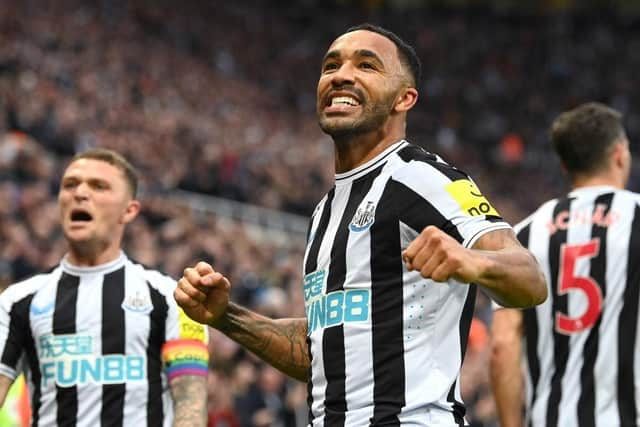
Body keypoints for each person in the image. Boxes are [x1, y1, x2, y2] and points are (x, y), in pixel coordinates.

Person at [176, 23, 547, 426]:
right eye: (330, 65)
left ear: (404, 99)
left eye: (366, 65)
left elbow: (530, 280)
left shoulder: (424, 177)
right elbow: (321, 350)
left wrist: (470, 261)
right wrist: (227, 316)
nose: (342, 75)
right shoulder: (323, 213)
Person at [0, 148, 209, 427]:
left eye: (99, 186)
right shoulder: (16, 302)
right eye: (70, 184)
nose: (80, 193)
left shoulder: (172, 298)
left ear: (129, 210)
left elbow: (191, 405)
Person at [490, 102, 638, 427]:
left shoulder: (521, 235)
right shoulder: (636, 218)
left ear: (564, 166)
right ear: (619, 154)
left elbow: (502, 345)